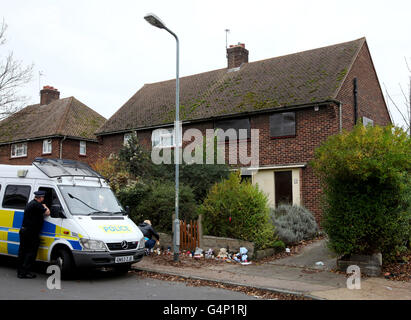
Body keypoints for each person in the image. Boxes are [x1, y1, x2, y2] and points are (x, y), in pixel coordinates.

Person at [17, 191, 50, 279]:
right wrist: (45, 206)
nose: (43, 199)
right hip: (31, 233)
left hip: (24, 231)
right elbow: (47, 213)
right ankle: (26, 272)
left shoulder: (30, 203)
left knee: (22, 252)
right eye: (43, 198)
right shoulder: (37, 205)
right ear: (41, 198)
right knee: (31, 252)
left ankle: (20, 272)